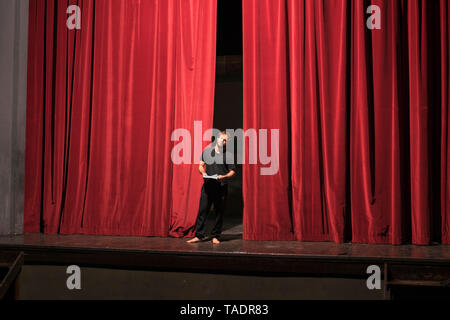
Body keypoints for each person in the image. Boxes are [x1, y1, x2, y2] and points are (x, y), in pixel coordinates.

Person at [187, 131, 236, 244]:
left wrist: (224, 176)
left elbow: (232, 171)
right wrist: (202, 172)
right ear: (217, 139)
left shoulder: (228, 155)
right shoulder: (208, 151)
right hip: (208, 185)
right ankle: (199, 235)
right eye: (221, 139)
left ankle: (216, 236)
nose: (222, 141)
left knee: (219, 212)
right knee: (202, 210)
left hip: (221, 186)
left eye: (225, 140)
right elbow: (200, 165)